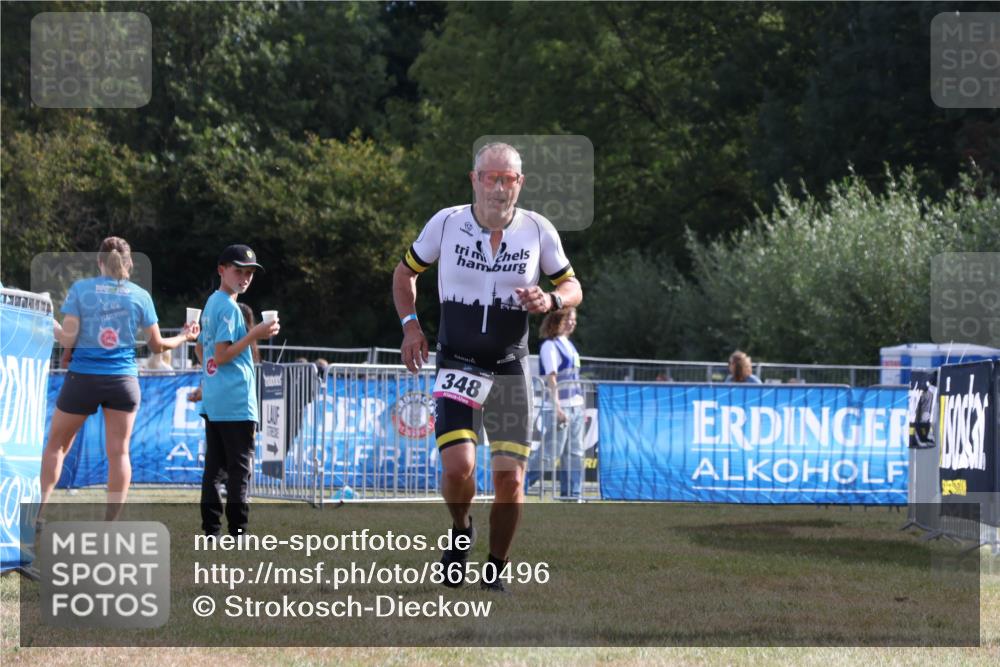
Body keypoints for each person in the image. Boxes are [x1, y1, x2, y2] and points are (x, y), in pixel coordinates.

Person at [392, 142, 583, 592]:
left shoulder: (538, 230)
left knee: (509, 479)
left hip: (510, 367)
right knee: (458, 467)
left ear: (520, 184)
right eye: (490, 178)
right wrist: (410, 328)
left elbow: (572, 284)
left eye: (508, 179)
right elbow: (405, 274)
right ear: (474, 180)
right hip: (457, 360)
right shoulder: (446, 223)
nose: (499, 187)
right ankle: (461, 530)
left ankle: (495, 567)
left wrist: (552, 299)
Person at [40, 236, 199, 521]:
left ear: (99, 261)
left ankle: (36, 515)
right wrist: (186, 336)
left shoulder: (81, 290)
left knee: (56, 445)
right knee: (119, 454)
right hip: (124, 381)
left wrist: (47, 323)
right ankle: (110, 525)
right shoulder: (140, 296)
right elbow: (158, 346)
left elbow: (68, 338)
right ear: (130, 264)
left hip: (84, 379)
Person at [196, 245, 279, 538]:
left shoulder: (212, 302)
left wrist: (205, 384)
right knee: (239, 469)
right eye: (238, 271)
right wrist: (255, 333)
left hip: (216, 398)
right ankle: (238, 531)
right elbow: (221, 355)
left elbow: (200, 349)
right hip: (235, 399)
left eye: (249, 273)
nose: (244, 278)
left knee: (215, 468)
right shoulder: (230, 308)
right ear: (222, 269)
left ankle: (211, 529)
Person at [525, 307, 586, 498]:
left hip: (575, 406)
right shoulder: (549, 346)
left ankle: (572, 496)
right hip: (558, 407)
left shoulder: (568, 344)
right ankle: (520, 487)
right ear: (555, 321)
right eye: (567, 319)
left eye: (573, 319)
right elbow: (552, 378)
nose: (572, 322)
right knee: (549, 454)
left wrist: (580, 406)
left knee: (575, 454)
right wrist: (558, 407)